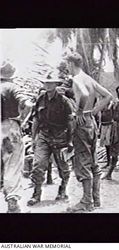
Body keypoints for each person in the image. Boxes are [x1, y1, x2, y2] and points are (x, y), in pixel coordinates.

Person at [65, 52, 113, 212]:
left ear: (71, 64)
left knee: (83, 160)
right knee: (93, 161)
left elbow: (84, 94)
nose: (67, 67)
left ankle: (87, 202)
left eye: (67, 64)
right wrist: (93, 111)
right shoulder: (88, 78)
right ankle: (96, 199)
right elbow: (108, 96)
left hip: (81, 123)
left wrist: (80, 111)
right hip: (91, 122)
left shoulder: (77, 79)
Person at [27, 71, 74, 206]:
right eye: (46, 83)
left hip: (59, 137)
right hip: (43, 135)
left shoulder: (64, 101)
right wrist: (33, 138)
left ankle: (62, 190)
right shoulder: (40, 99)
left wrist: (70, 141)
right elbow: (35, 119)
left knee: (63, 167)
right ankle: (36, 194)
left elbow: (70, 122)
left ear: (55, 84)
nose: (47, 85)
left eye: (50, 83)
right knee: (38, 165)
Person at [1, 61, 32, 213]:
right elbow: (28, 104)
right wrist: (23, 119)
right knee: (12, 165)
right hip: (10, 128)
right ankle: (13, 203)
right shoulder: (13, 88)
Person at [99, 100, 114, 168]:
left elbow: (108, 109)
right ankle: (108, 162)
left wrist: (110, 103)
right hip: (103, 125)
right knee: (106, 145)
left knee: (109, 144)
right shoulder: (102, 107)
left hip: (109, 125)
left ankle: (111, 162)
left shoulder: (111, 106)